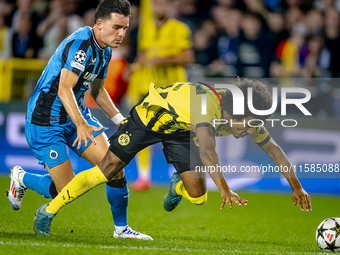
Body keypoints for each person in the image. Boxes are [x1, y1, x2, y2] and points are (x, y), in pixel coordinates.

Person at [33, 79, 312, 235]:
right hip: (150, 117)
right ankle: (48, 212)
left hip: (180, 129)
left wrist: (297, 186)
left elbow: (274, 149)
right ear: (238, 112)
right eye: (250, 124)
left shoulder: (245, 115)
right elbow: (207, 151)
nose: (250, 131)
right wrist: (225, 189)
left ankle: (178, 181)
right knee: (108, 169)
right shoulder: (208, 107)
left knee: (199, 196)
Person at [6, 0, 152, 240]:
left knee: (114, 167)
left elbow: (97, 91)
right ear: (98, 23)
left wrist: (120, 119)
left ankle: (121, 230)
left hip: (75, 115)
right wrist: (82, 124)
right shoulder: (80, 45)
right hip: (46, 121)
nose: (121, 34)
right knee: (66, 190)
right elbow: (64, 90)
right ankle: (22, 178)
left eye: (125, 28)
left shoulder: (104, 49)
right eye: (116, 27)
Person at [128, 0, 194, 191]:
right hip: (149, 88)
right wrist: (134, 68)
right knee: (143, 130)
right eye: (157, 4)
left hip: (174, 91)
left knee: (178, 133)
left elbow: (188, 58)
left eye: (164, 5)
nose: (160, 8)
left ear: (171, 7)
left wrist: (163, 60)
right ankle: (144, 177)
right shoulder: (146, 27)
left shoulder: (180, 29)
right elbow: (144, 54)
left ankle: (185, 176)